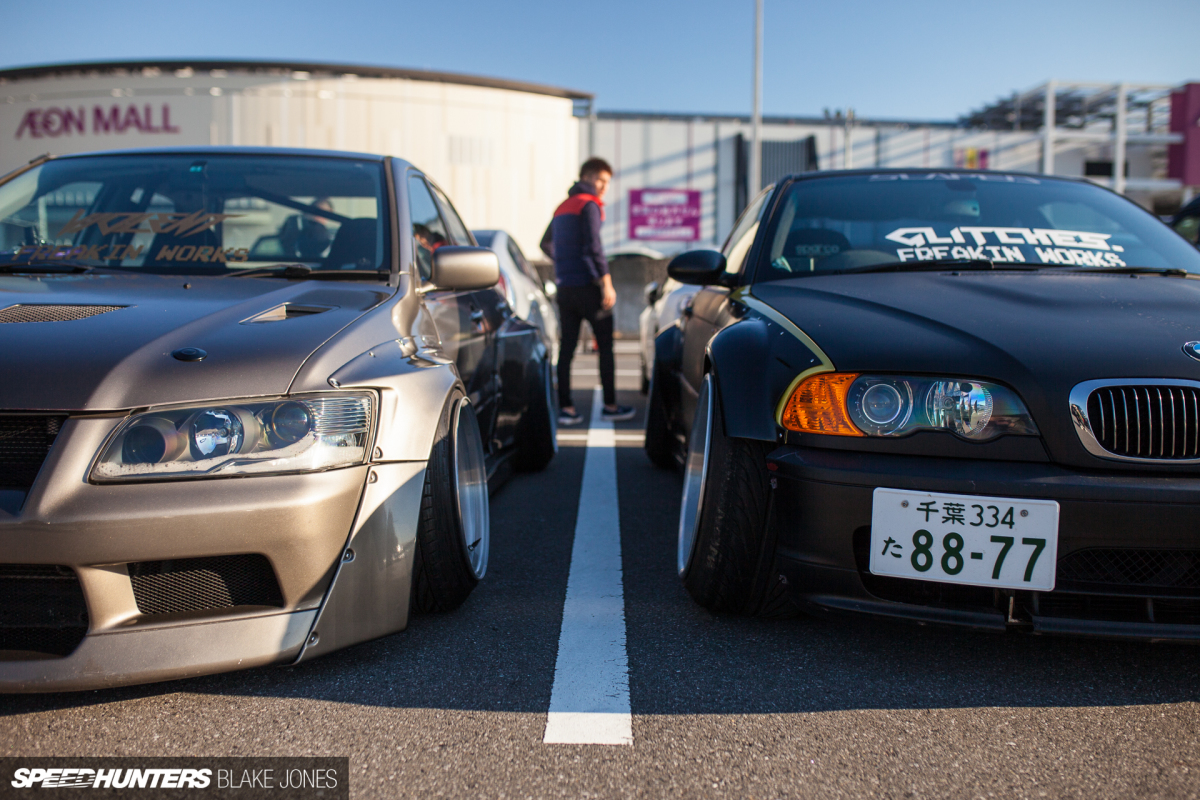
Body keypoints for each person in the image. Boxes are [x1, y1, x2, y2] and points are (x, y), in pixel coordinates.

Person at [541, 158, 634, 425]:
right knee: (605, 348)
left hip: (565, 288)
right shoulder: (589, 204)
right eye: (601, 181)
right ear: (587, 177)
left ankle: (567, 409)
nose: (604, 187)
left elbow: (544, 243)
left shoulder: (561, 207)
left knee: (567, 350)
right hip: (590, 288)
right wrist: (606, 282)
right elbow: (594, 247)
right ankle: (611, 405)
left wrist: (563, 261)